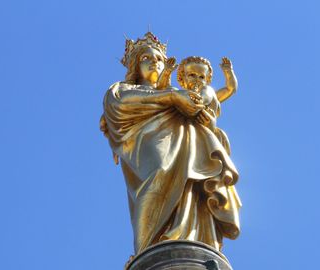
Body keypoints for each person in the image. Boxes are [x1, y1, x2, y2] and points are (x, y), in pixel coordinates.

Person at [100, 32, 241, 254]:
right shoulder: (122, 90)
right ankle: (147, 249)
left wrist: (206, 119)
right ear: (136, 65)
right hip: (148, 145)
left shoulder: (178, 91)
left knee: (192, 187)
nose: (154, 62)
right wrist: (171, 98)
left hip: (188, 146)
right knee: (159, 172)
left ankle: (192, 238)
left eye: (159, 58)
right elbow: (118, 105)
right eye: (147, 58)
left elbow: (204, 108)